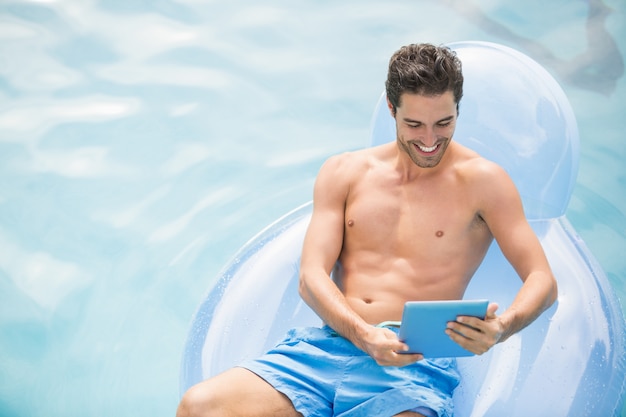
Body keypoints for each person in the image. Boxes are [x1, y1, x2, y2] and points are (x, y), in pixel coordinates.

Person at [176, 43, 558, 417]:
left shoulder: (485, 182)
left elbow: (542, 279)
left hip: (414, 364)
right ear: (391, 109)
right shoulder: (344, 173)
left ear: (458, 108)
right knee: (199, 406)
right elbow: (311, 277)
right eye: (414, 124)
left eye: (444, 122)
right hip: (327, 350)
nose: (429, 140)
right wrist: (363, 335)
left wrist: (503, 328)